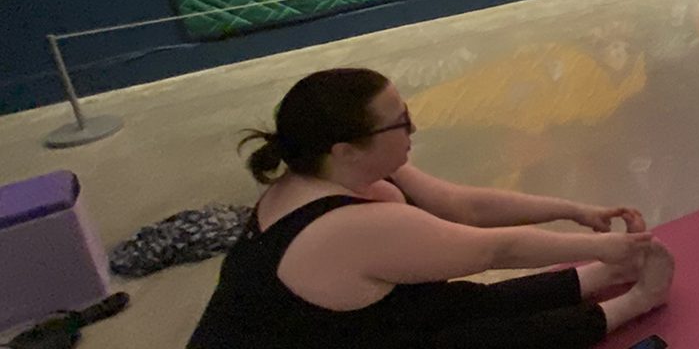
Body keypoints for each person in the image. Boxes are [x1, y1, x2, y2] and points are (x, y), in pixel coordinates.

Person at [188, 69, 673, 348]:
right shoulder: (347, 226)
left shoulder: (328, 170)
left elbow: (462, 206)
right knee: (477, 340)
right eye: (399, 123)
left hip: (346, 329)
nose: (413, 130)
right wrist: (612, 246)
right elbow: (494, 250)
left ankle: (594, 282)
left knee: (452, 303)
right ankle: (636, 302)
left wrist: (576, 211)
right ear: (346, 149)